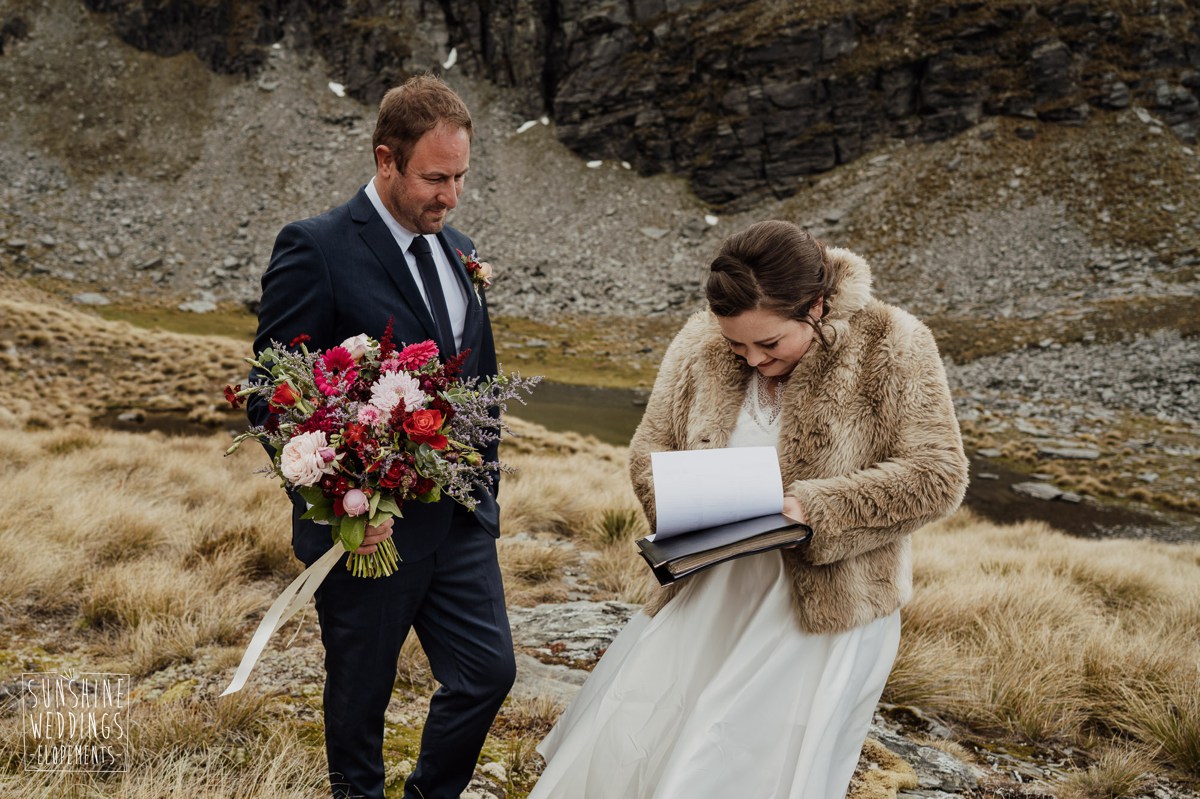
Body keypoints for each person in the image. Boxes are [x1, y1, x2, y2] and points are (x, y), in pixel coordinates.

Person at [529, 220, 970, 798]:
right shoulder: (698, 342)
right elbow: (649, 450)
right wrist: (685, 502)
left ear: (816, 307)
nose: (753, 359)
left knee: (746, 765)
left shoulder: (894, 343)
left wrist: (817, 508)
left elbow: (938, 475)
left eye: (770, 344)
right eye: (738, 345)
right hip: (710, 588)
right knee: (654, 743)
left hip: (826, 610)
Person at [247, 74, 515, 799]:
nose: (450, 195)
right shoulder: (318, 247)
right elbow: (269, 394)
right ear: (385, 159)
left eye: (460, 177)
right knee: (361, 700)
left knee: (489, 674)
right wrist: (340, 502)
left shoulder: (458, 247)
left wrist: (483, 491)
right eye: (435, 177)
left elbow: (479, 382)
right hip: (368, 533)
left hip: (458, 521)